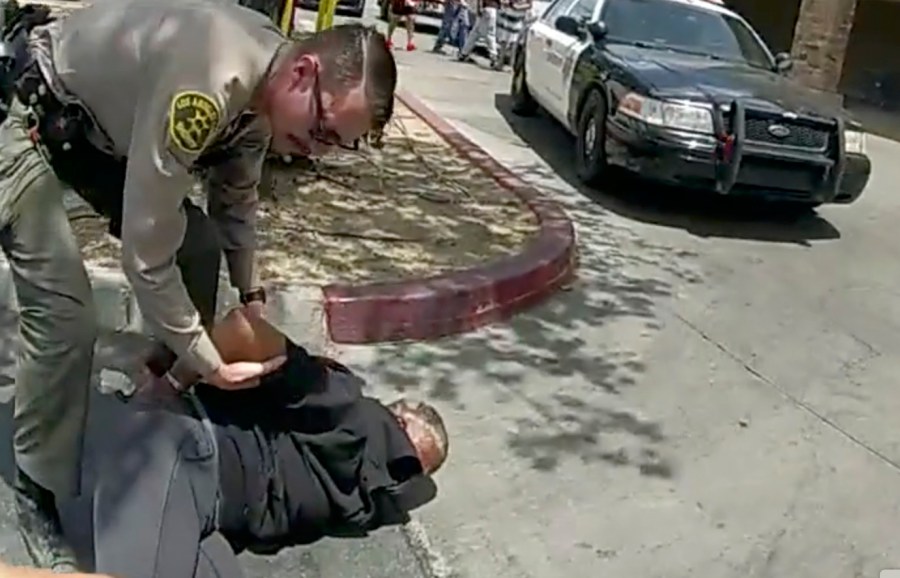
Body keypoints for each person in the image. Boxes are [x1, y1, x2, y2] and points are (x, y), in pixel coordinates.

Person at [0, 0, 396, 570]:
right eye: (322, 130)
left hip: (88, 136)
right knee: (65, 318)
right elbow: (147, 250)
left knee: (202, 243)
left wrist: (249, 289)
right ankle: (35, 487)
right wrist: (208, 358)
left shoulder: (265, 89)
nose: (316, 150)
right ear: (303, 72)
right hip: (28, 122)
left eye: (337, 145)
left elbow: (235, 201)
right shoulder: (211, 79)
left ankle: (157, 394)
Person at [92, 307, 449, 578]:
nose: (393, 478)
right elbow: (243, 328)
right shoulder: (346, 408)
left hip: (211, 518)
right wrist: (171, 384)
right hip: (188, 454)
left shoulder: (366, 503)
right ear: (395, 420)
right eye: (402, 459)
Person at [458, 0, 499, 68]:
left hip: (486, 9)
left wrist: (479, 8)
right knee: (487, 34)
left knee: (476, 34)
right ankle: (493, 56)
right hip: (492, 9)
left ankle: (464, 53)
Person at [495, 0, 531, 70]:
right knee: (503, 41)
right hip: (507, 16)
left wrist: (518, 7)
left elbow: (529, 5)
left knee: (514, 43)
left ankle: (511, 65)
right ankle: (500, 63)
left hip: (518, 19)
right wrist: (506, 3)